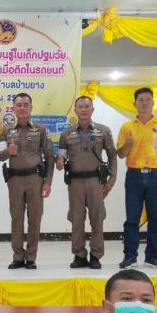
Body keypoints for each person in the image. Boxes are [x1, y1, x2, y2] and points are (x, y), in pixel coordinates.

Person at [116, 87, 157, 269]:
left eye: (147, 100)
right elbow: (121, 154)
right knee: (132, 218)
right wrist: (128, 144)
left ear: (153, 103)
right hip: (134, 176)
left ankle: (152, 256)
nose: (144, 103)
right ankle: (130, 256)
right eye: (140, 100)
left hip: (156, 176)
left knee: (156, 217)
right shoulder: (127, 127)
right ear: (134, 104)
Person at [57, 96, 117, 270]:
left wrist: (111, 180)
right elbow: (62, 155)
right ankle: (79, 255)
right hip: (75, 182)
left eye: (87, 106)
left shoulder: (103, 131)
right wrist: (60, 161)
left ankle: (96, 256)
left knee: (97, 218)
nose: (83, 109)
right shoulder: (67, 133)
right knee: (76, 219)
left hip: (96, 181)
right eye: (80, 107)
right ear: (75, 110)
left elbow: (112, 156)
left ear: (92, 109)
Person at [0, 92, 54, 269]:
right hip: (14, 179)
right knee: (16, 218)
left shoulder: (41, 130)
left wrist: (48, 182)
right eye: (19, 105)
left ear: (31, 107)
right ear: (13, 108)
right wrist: (8, 152)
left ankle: (31, 257)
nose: (22, 108)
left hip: (35, 179)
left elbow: (50, 157)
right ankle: (18, 257)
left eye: (25, 105)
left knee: (34, 218)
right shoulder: (6, 131)